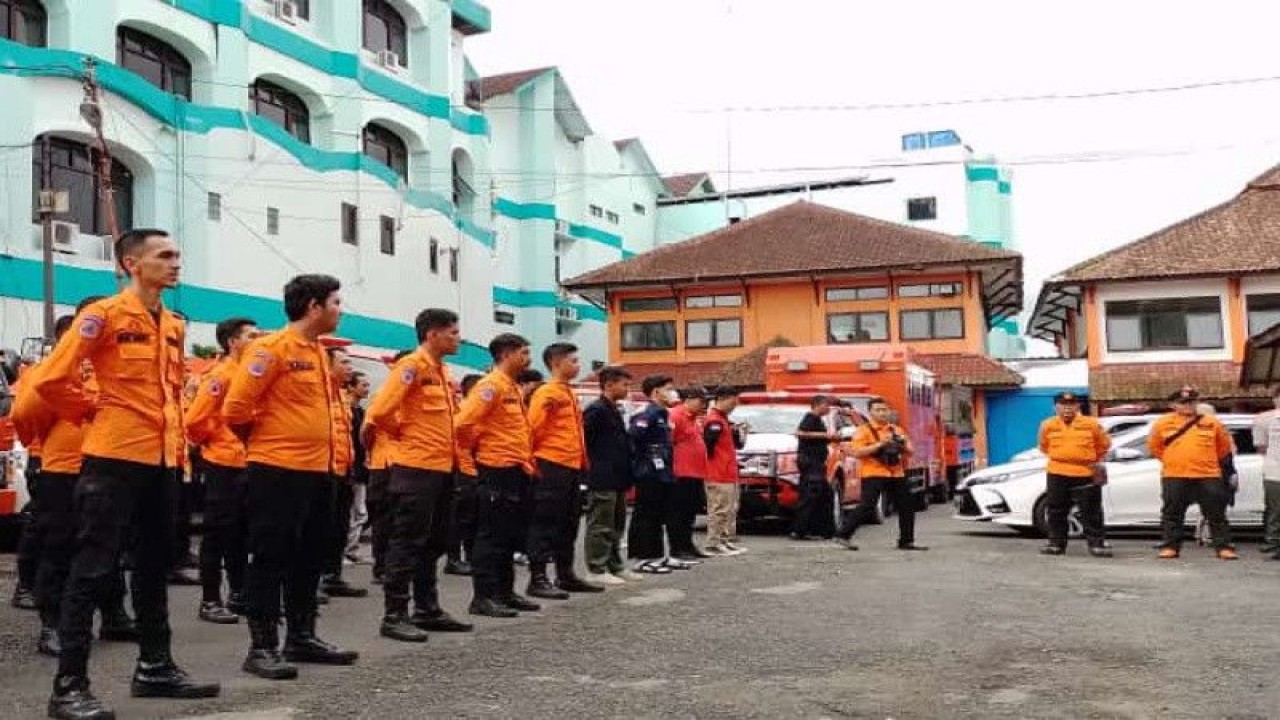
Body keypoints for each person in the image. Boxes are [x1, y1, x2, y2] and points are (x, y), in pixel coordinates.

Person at [36, 229, 219, 719]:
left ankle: (156, 667)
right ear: (132, 263)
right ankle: (68, 688)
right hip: (113, 458)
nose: (176, 263)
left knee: (155, 565)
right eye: (165, 256)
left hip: (161, 461)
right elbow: (51, 378)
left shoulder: (173, 324)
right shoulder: (103, 315)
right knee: (93, 568)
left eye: (177, 254)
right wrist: (92, 409)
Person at [224, 274, 360, 681]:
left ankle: (301, 636)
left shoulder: (318, 353)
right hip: (278, 470)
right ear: (314, 306)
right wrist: (267, 445)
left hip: (319, 471)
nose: (341, 310)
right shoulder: (270, 348)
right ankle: (262, 645)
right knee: (271, 558)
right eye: (336, 302)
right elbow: (235, 410)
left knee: (309, 556)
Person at [13, 309, 137, 659]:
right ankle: (52, 624)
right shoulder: (52, 370)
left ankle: (114, 616)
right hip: (65, 469)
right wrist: (41, 444)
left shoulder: (116, 370)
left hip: (113, 466)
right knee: (60, 547)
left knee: (110, 547)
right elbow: (24, 415)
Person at [362, 308, 475, 642]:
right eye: (453, 332)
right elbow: (380, 411)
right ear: (432, 334)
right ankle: (394, 614)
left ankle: (427, 608)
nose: (459, 337)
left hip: (442, 467)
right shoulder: (411, 366)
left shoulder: (441, 370)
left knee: (434, 542)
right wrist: (405, 434)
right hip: (416, 468)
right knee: (407, 542)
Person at [455, 333, 541, 618]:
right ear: (506, 354)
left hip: (515, 468)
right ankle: (483, 596)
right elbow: (464, 422)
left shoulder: (510, 387)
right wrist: (473, 456)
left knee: (508, 535)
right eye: (524, 353)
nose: (528, 359)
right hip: (495, 468)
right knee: (490, 536)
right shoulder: (490, 386)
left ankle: (504, 592)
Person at [186, 317, 259, 624]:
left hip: (248, 461)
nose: (257, 341)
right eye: (251, 336)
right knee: (217, 534)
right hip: (223, 463)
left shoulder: (250, 375)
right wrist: (214, 444)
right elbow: (195, 421)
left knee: (241, 534)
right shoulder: (221, 376)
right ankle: (210, 599)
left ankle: (239, 594)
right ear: (233, 341)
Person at [525, 343, 604, 599]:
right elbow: (532, 430)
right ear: (557, 363)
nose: (578, 365)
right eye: (573, 360)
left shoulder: (567, 392)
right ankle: (538, 578)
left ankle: (565, 574)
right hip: (551, 465)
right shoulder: (547, 393)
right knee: (545, 523)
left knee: (568, 523)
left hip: (572, 466)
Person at [1149, 387, 1237, 560]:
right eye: (1183, 403)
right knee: (1172, 512)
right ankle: (1170, 546)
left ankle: (1223, 547)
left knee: (1216, 512)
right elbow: (1155, 447)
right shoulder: (1162, 423)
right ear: (1173, 405)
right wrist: (1174, 460)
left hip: (1208, 474)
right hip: (1175, 474)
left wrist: (1205, 460)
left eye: (1192, 402)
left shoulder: (1212, 422)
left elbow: (1223, 448)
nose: (1188, 406)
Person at [835, 397, 927, 552]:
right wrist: (880, 444)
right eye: (878, 410)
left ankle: (906, 541)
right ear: (870, 412)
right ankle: (843, 535)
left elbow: (910, 452)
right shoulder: (863, 431)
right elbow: (857, 452)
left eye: (884, 410)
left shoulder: (896, 430)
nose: (882, 413)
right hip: (873, 472)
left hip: (896, 473)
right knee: (867, 506)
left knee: (907, 506)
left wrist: (902, 443)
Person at [1037, 392, 1112, 557]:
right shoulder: (1047, 425)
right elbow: (1044, 446)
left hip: (1085, 471)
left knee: (1091, 509)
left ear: (1078, 406)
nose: (1067, 408)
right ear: (1055, 407)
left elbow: (1104, 444)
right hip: (1058, 471)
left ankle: (1096, 544)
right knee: (1056, 509)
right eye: (1063, 405)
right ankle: (1056, 544)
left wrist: (1088, 458)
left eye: (1071, 405)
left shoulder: (1091, 424)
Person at [320, 346, 368, 600]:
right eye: (344, 362)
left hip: (343, 469)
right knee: (321, 528)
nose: (349, 367)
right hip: (323, 469)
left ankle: (332, 576)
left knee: (339, 527)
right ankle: (314, 579)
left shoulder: (341, 396)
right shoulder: (318, 392)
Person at [582, 367, 638, 585]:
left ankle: (614, 565)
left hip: (618, 476)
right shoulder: (596, 410)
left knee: (616, 524)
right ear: (608, 385)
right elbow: (585, 440)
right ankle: (596, 567)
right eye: (624, 384)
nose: (627, 389)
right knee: (600, 524)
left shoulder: (614, 409)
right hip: (602, 475)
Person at [367, 349, 414, 584]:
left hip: (406, 463)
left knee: (402, 519)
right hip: (384, 464)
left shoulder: (413, 396)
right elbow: (368, 428)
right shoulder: (385, 394)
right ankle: (381, 565)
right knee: (384, 519)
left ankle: (396, 565)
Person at [627, 375, 679, 574]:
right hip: (648, 473)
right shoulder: (647, 413)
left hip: (662, 472)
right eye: (668, 388)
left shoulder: (661, 414)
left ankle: (657, 555)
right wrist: (641, 464)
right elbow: (634, 438)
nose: (672, 393)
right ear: (656, 392)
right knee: (646, 515)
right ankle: (644, 557)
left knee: (658, 515)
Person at [444, 373, 484, 576]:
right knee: (460, 518)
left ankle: (471, 557)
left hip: (476, 468)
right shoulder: (462, 412)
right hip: (461, 468)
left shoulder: (477, 412)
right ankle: (453, 559)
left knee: (473, 517)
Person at [703, 386, 748, 556]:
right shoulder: (714, 420)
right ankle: (713, 542)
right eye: (732, 402)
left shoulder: (723, 420)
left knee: (729, 509)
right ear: (722, 399)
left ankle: (724, 539)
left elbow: (735, 445)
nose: (734, 406)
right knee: (719, 509)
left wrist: (738, 433)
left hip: (728, 471)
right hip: (718, 473)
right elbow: (708, 446)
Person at [668, 387, 711, 560]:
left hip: (695, 472)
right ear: (689, 399)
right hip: (681, 472)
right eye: (702, 401)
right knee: (679, 513)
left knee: (690, 513)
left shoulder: (695, 419)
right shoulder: (676, 416)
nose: (704, 405)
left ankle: (687, 544)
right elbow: (669, 442)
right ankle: (678, 547)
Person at [791, 395, 838, 541]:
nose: (828, 408)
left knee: (825, 495)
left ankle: (823, 531)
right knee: (809, 496)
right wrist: (825, 435)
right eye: (826, 405)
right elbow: (800, 433)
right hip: (811, 464)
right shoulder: (810, 418)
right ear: (818, 405)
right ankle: (800, 530)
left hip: (817, 463)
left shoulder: (818, 420)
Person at [345, 372, 372, 565]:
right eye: (363, 385)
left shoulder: (361, 412)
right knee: (355, 511)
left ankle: (351, 549)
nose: (367, 389)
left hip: (360, 467)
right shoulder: (346, 411)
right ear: (351, 387)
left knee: (359, 511)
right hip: (349, 466)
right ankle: (347, 550)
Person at [1251, 387, 1280, 557]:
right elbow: (1261, 446)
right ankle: (1274, 544)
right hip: (1275, 471)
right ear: (1274, 399)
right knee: (1274, 510)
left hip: (1274, 470)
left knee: (1275, 510)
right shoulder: (1264, 419)